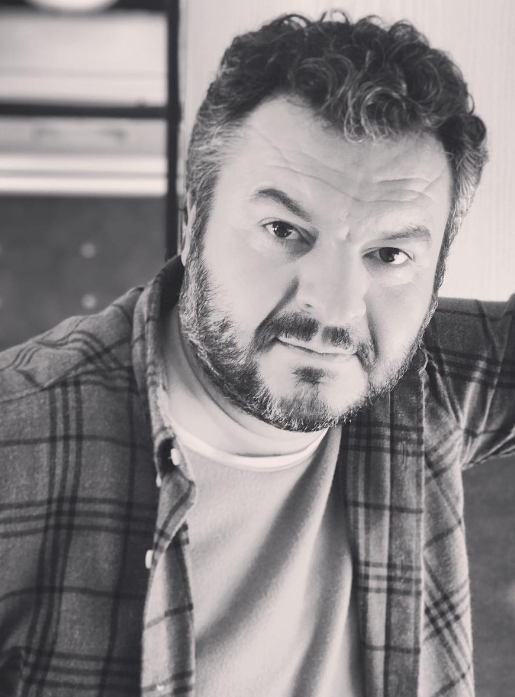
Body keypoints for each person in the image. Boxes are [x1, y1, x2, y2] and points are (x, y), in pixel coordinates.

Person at [0, 11, 513, 697]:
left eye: (390, 254)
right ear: (192, 223)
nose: (334, 306)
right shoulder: (18, 438)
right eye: (283, 229)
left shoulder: (428, 381)